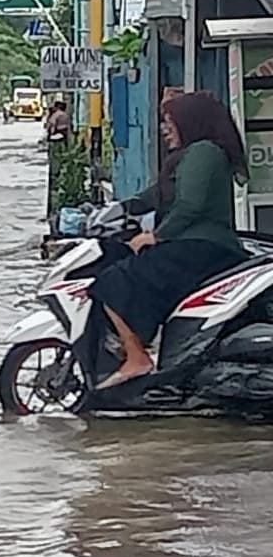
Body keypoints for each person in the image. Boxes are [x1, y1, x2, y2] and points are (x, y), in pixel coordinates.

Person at [89, 93, 249, 388]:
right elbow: (157, 194)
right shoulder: (190, 155)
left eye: (169, 121)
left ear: (190, 122)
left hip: (203, 249)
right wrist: (122, 208)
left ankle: (137, 357)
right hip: (192, 246)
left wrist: (156, 235)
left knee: (111, 282)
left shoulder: (204, 152)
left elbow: (191, 205)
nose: (164, 128)